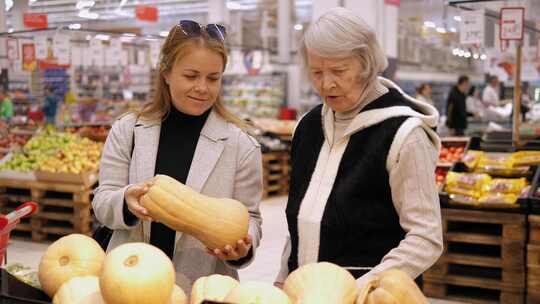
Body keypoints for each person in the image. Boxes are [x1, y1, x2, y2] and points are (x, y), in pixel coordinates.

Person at [275, 7, 443, 294]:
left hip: (374, 296)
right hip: (307, 295)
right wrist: (282, 282)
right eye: (316, 72)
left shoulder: (404, 134)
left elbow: (425, 238)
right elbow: (302, 224)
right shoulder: (307, 128)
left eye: (339, 71)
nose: (326, 83)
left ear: (365, 63)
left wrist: (358, 290)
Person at [92, 20, 263, 293]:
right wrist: (126, 201)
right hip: (128, 281)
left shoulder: (242, 145)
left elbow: (250, 218)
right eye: (191, 76)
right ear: (167, 73)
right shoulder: (128, 130)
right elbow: (102, 201)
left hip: (200, 287)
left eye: (213, 78)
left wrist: (242, 247)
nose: (202, 87)